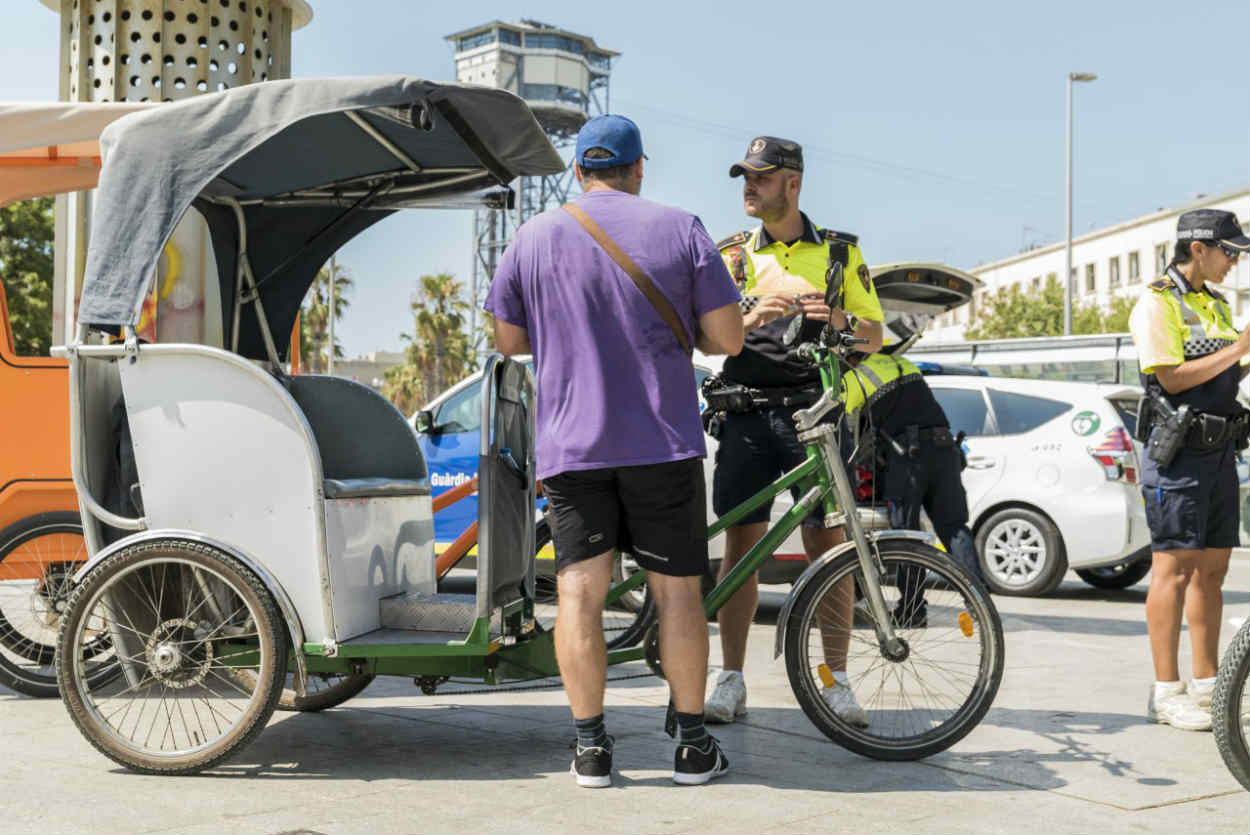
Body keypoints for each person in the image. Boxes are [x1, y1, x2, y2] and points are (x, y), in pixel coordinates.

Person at [485, 114, 745, 787]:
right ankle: (691, 746)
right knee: (679, 591)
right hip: (662, 442)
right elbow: (728, 340)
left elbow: (509, 341)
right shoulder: (681, 228)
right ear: (637, 170)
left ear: (579, 171)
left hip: (574, 446)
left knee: (578, 592)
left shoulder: (533, 237)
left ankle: (591, 748)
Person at [704, 136, 884, 726]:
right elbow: (700, 334)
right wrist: (747, 317)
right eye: (744, 177)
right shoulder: (729, 255)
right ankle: (730, 679)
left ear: (792, 183)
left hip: (815, 414)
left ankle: (835, 681)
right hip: (746, 414)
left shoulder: (839, 254)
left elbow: (873, 337)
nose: (749, 187)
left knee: (829, 552)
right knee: (741, 550)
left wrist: (832, 318)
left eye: (760, 177)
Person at [1128, 208, 1250, 731]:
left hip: (1221, 452)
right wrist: (1242, 347)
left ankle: (1206, 685)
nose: (1234, 262)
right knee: (1173, 572)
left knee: (1213, 572)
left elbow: (1226, 370)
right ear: (1197, 249)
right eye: (1230, 252)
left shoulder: (1215, 305)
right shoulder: (1157, 302)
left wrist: (1244, 356)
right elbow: (1172, 378)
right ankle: (1166, 691)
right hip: (1179, 454)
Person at [839, 314, 986, 627]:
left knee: (906, 536)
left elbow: (843, 426)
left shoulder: (855, 376)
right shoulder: (903, 363)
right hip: (946, 450)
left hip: (909, 458)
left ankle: (912, 611)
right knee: (954, 527)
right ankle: (980, 603)